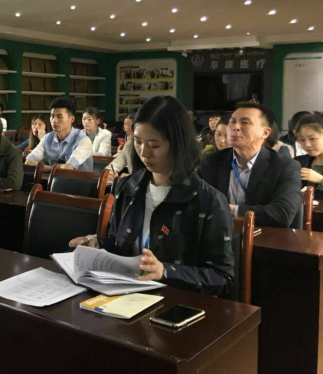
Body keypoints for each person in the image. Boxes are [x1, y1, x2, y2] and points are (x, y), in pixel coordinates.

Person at [69, 96, 234, 298]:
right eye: (138, 142)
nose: (144, 153)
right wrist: (98, 244)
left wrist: (164, 271)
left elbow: (223, 278)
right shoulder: (128, 187)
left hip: (176, 302)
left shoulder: (208, 201)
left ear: (178, 144)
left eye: (154, 145)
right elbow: (119, 243)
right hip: (125, 296)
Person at [199, 102, 302, 228]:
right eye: (232, 122)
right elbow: (194, 200)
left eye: (245, 122)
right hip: (218, 235)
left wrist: (230, 209)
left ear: (265, 133)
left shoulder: (285, 166)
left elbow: (282, 214)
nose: (235, 127)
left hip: (265, 236)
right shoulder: (211, 161)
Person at [25, 97, 93, 171]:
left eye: (59, 117)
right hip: (53, 177)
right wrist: (52, 169)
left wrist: (44, 168)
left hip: (78, 178)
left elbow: (68, 168)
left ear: (72, 119)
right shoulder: (48, 138)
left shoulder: (83, 140)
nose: (54, 121)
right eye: (52, 116)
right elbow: (28, 162)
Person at [294, 113, 323, 200]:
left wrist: (320, 180)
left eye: (312, 139)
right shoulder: (297, 163)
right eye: (302, 140)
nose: (307, 144)